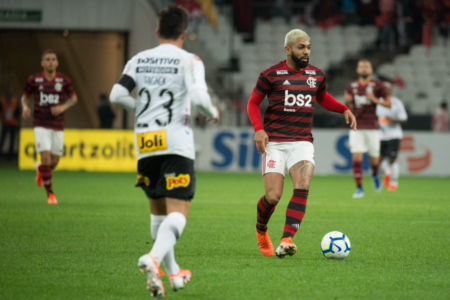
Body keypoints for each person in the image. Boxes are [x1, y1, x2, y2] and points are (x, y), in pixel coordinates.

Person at [109, 5, 219, 297]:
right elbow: (198, 96)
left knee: (158, 214)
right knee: (179, 212)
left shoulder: (138, 60)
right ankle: (153, 259)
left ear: (158, 32)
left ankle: (172, 275)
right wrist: (213, 110)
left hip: (145, 141)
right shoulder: (189, 60)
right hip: (175, 142)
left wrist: (140, 109)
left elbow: (117, 95)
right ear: (184, 34)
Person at [247, 29, 357, 259]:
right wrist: (259, 129)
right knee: (273, 197)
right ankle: (261, 230)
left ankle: (286, 239)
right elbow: (253, 102)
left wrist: (344, 109)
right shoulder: (271, 74)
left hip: (302, 141)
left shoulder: (317, 75)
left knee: (303, 185)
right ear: (288, 50)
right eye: (301, 47)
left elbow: (322, 98)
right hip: (275, 142)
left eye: (308, 47)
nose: (306, 51)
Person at [21, 49, 77, 204]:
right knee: (45, 156)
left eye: (53, 59)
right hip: (40, 123)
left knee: (53, 163)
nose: (51, 61)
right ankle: (50, 195)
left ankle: (40, 170)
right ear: (42, 63)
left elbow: (73, 98)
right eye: (47, 59)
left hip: (57, 125)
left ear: (57, 62)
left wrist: (63, 107)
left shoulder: (64, 80)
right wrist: (25, 107)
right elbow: (24, 97)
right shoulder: (34, 80)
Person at [344, 59, 391, 198]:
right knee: (357, 156)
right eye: (361, 67)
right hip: (356, 126)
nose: (364, 69)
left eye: (367, 67)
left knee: (374, 160)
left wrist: (374, 99)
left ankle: (375, 174)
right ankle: (359, 188)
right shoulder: (351, 86)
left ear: (371, 70)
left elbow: (389, 104)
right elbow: (349, 105)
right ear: (357, 70)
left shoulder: (377, 85)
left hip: (372, 127)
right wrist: (347, 103)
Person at [376, 82, 407, 191]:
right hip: (380, 135)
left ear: (391, 90)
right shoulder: (376, 102)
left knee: (392, 159)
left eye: (387, 88)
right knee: (378, 160)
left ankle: (394, 182)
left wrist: (393, 120)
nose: (385, 90)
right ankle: (387, 172)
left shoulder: (396, 103)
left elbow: (404, 119)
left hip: (394, 135)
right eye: (383, 88)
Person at [0, 89, 20, 159]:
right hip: (5, 123)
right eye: (8, 94)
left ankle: (10, 157)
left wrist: (18, 124)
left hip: (13, 124)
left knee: (12, 140)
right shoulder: (3, 101)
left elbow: (18, 113)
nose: (9, 95)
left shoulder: (15, 101)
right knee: (2, 140)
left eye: (11, 94)